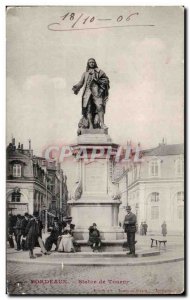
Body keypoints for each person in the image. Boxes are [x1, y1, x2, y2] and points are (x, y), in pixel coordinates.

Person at [72, 58, 110, 130]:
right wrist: (76, 87)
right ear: (88, 64)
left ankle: (102, 124)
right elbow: (81, 82)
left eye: (93, 62)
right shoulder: (85, 73)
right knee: (88, 109)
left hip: (97, 93)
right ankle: (91, 126)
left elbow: (106, 80)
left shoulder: (99, 71)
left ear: (95, 63)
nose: (91, 63)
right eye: (90, 62)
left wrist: (98, 80)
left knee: (100, 107)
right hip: (87, 93)